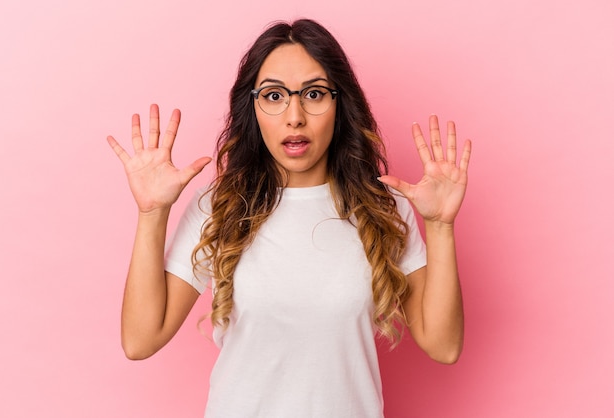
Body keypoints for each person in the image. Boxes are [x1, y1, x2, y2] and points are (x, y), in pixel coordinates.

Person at [107, 18, 471, 418]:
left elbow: (444, 345)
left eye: (314, 94)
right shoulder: (219, 205)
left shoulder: (383, 206)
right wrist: (152, 213)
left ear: (340, 103)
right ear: (253, 106)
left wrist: (440, 227)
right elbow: (140, 340)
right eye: (275, 95)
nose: (294, 115)